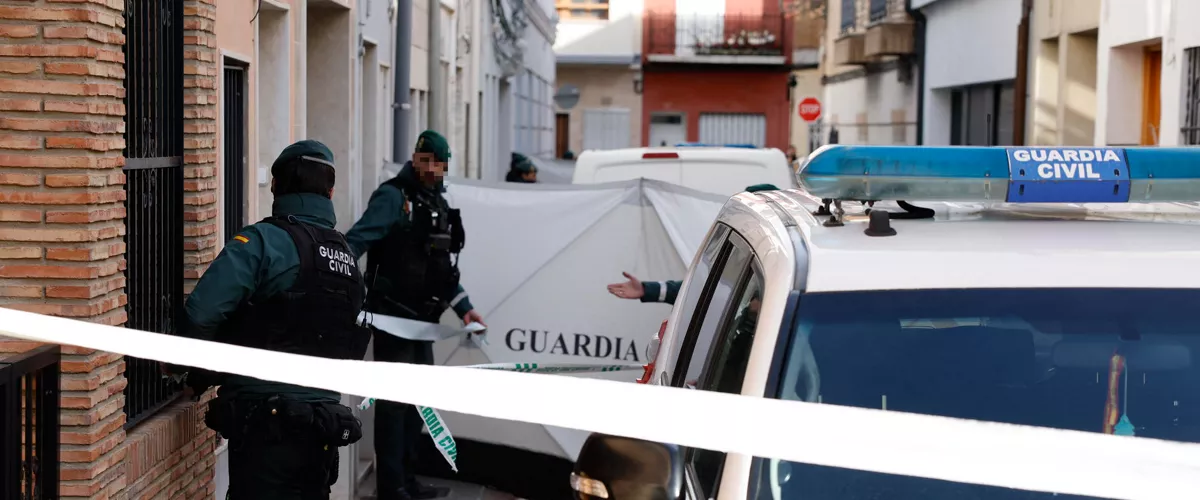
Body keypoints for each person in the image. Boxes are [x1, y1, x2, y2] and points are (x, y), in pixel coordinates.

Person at [166, 140, 371, 499]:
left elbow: (200, 315)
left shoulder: (263, 242)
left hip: (266, 427)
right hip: (322, 426)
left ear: (276, 186)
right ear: (331, 190)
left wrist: (179, 371)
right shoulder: (346, 258)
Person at [346, 130, 485, 500]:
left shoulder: (435, 202)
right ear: (416, 158)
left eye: (440, 163)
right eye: (428, 160)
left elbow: (441, 270)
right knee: (393, 408)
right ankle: (391, 488)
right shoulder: (393, 197)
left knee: (417, 406)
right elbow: (356, 241)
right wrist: (333, 283)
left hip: (425, 323)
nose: (434, 168)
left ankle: (409, 480)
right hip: (394, 320)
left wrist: (466, 308)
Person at [607, 184, 781, 306]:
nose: (747, 224)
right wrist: (647, 290)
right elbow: (703, 291)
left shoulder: (786, 257)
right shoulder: (738, 250)